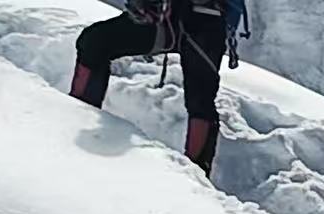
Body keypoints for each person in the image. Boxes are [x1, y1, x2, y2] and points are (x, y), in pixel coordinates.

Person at [68, 0, 232, 176]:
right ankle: (196, 175)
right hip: (187, 18)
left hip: (201, 18)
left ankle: (196, 177)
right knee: (200, 100)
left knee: (200, 100)